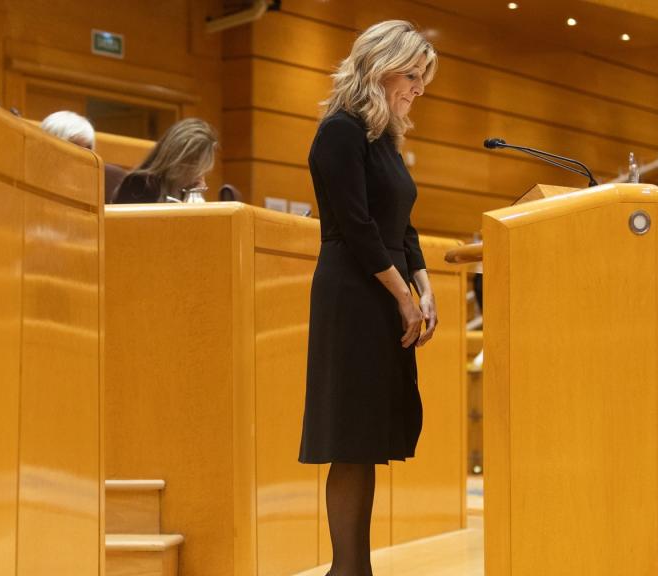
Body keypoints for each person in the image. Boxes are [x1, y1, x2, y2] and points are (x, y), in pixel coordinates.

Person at [297, 20, 437, 576]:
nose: (419, 88)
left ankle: (356, 570)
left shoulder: (385, 138)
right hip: (353, 295)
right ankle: (346, 570)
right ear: (378, 66)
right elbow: (356, 226)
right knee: (351, 438)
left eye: (424, 77)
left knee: (369, 437)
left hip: (385, 290)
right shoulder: (341, 130)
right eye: (412, 73)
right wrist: (403, 294)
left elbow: (401, 223)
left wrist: (423, 285)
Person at [113, 118, 217, 204]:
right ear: (178, 159)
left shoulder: (184, 187)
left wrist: (196, 195)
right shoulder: (140, 184)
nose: (199, 177)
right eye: (196, 167)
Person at [40, 111, 128, 203]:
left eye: (88, 148)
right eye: (74, 146)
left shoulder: (110, 178)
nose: (84, 156)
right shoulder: (33, 176)